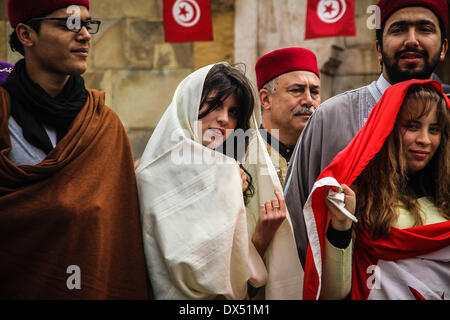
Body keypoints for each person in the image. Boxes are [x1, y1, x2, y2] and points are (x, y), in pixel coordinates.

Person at [0, 0, 149, 299]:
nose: (84, 35)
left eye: (87, 24)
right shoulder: (3, 115)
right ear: (27, 34)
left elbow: (122, 230)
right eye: (69, 24)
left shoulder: (104, 125)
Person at [284, 0, 449, 268]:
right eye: (398, 30)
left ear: (443, 47)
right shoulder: (332, 118)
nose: (411, 40)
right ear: (378, 49)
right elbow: (295, 224)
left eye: (424, 29)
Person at [136, 63, 303, 300]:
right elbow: (197, 273)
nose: (224, 119)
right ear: (189, 104)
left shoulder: (235, 175)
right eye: (214, 105)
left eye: (233, 112)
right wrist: (257, 237)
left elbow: (236, 284)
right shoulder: (150, 176)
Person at [300, 80, 449, 300]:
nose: (424, 140)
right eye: (412, 126)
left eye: (434, 129)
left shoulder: (445, 197)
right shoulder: (359, 198)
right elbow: (333, 293)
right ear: (387, 127)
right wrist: (340, 226)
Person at [255, 47, 321, 186]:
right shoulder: (239, 157)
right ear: (266, 99)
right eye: (296, 90)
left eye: (314, 92)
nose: (309, 100)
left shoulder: (327, 155)